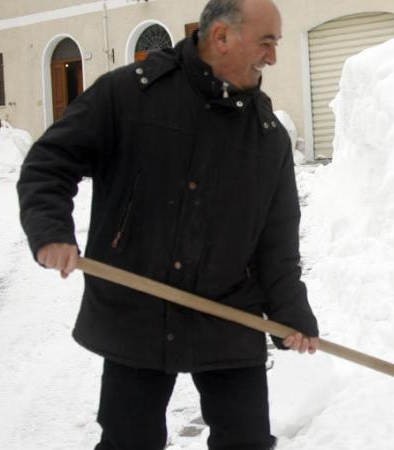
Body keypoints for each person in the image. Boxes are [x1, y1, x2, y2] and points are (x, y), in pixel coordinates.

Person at [17, 0, 319, 449]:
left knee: (246, 442)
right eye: (267, 42)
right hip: (137, 303)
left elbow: (276, 242)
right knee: (129, 441)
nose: (272, 57)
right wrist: (51, 231)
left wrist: (290, 311)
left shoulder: (267, 136)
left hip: (228, 313)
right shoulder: (126, 95)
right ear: (221, 37)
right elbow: (49, 163)